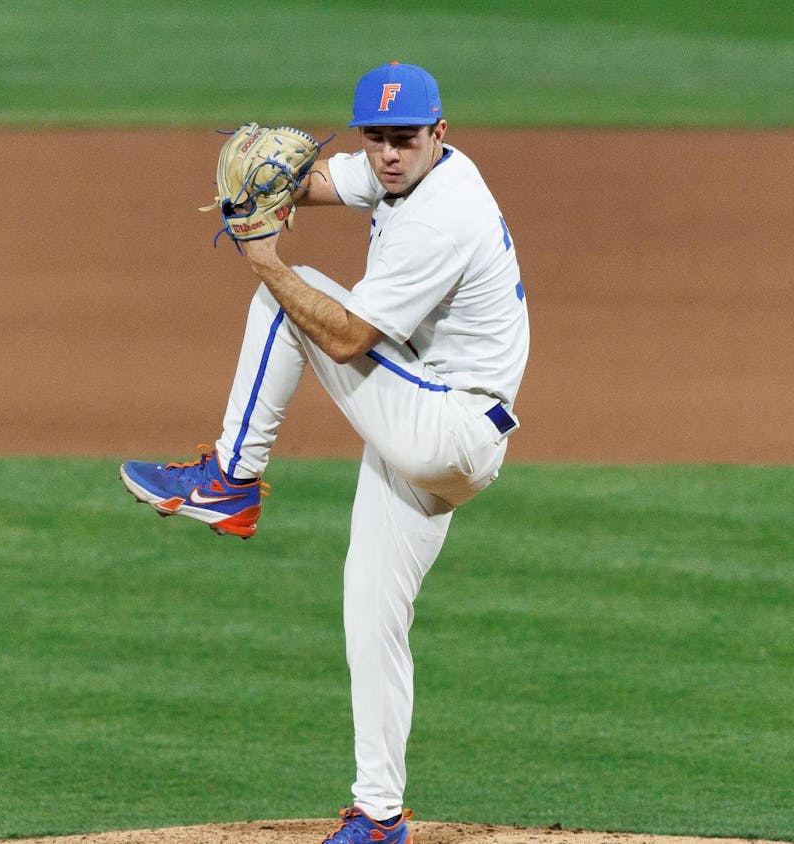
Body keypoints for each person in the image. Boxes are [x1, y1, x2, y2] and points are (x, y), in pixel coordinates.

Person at [120, 61, 529, 844]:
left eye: (404, 140)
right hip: (427, 418)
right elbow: (312, 184)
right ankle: (379, 816)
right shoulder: (399, 174)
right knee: (371, 615)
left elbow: (344, 338)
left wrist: (262, 255)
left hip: (447, 424)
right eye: (375, 139)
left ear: (440, 134)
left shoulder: (446, 210)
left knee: (288, 295)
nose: (386, 155)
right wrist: (268, 180)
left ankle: (231, 479)